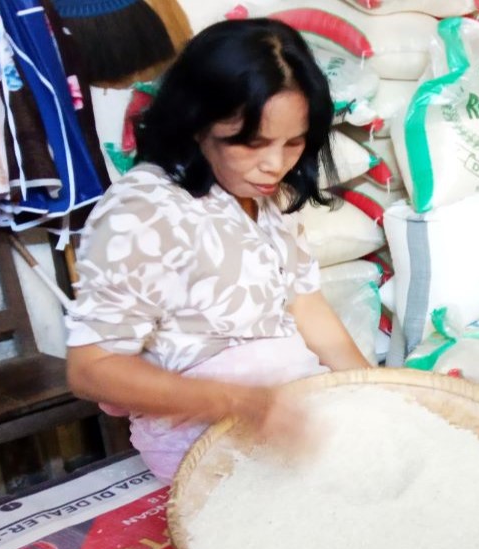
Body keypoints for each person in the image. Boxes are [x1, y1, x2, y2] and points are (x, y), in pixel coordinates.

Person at [65, 19, 372, 482]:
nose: (275, 165)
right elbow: (92, 369)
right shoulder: (142, 211)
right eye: (253, 143)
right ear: (197, 124)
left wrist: (374, 391)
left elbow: (305, 303)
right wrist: (241, 402)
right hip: (206, 445)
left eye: (294, 142)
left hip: (296, 418)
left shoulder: (263, 196)